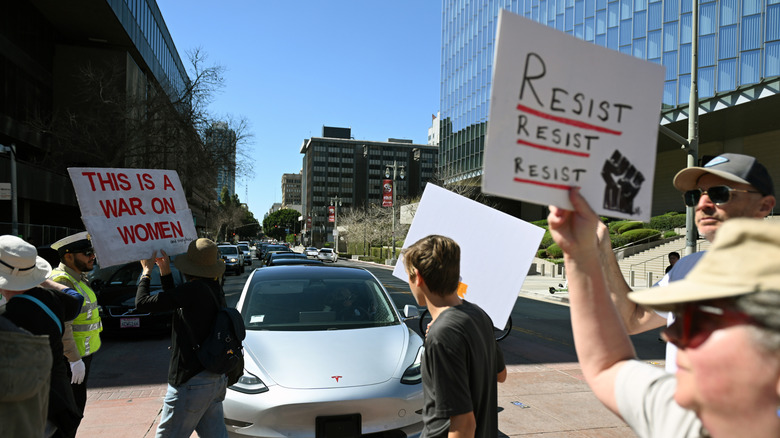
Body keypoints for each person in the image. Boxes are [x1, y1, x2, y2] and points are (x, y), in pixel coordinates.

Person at [548, 188, 780, 437]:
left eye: (705, 325)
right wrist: (585, 252)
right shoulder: (676, 416)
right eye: (694, 195)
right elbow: (614, 352)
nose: (671, 335)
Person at [599, 153, 775, 371]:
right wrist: (603, 249)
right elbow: (633, 320)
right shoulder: (684, 268)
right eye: (694, 195)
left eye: (720, 193)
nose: (702, 204)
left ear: (764, 206)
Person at [402, 235, 507, 438]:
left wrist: (445, 336)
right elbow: (500, 375)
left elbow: (463, 426)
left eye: (408, 275)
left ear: (418, 276)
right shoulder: (478, 315)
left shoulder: (443, 334)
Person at [135, 238, 229, 438]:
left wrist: (146, 272)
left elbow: (142, 303)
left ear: (189, 267)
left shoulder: (193, 291)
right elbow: (177, 302)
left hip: (191, 382)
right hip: (214, 378)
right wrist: (165, 270)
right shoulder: (213, 289)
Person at [0, 235, 85, 438]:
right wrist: (40, 280)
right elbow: (76, 298)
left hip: (30, 414)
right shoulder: (50, 299)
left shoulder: (10, 315)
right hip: (58, 406)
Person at [49, 231, 103, 414]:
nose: (92, 256)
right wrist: (74, 360)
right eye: (87, 253)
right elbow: (64, 325)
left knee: (75, 409)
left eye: (92, 252)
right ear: (68, 256)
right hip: (70, 360)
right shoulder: (62, 281)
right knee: (70, 412)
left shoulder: (79, 278)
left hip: (81, 356)